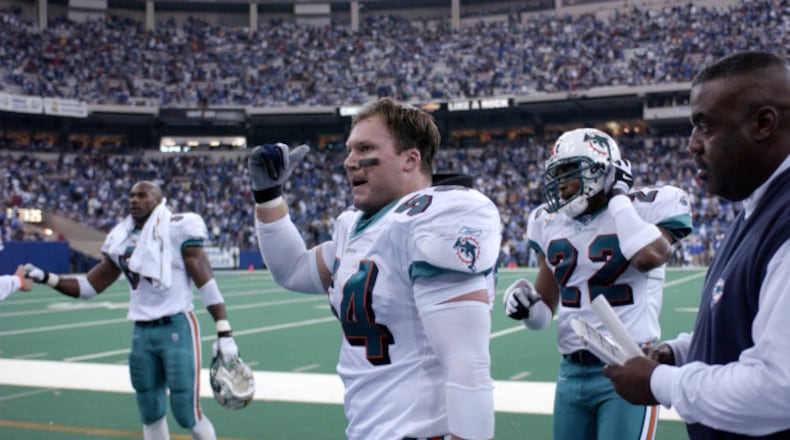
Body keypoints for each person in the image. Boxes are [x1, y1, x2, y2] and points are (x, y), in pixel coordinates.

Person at [248, 97, 501, 440]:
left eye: (364, 148)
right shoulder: (357, 226)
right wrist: (268, 196)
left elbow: (466, 361)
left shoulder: (440, 215)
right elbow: (292, 270)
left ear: (411, 159)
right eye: (349, 149)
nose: (349, 161)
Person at [603, 51, 790, 438]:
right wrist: (681, 352)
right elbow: (749, 330)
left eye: (705, 127)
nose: (692, 146)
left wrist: (659, 382)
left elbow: (779, 389)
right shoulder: (757, 207)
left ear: (763, 124)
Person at [503, 128, 692, 440]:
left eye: (569, 172)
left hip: (628, 364)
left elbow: (649, 256)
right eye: (557, 173)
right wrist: (524, 303)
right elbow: (542, 317)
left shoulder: (647, 206)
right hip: (571, 371)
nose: (560, 183)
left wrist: (618, 198)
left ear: (602, 171)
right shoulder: (547, 222)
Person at [24, 181, 243, 440]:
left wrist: (224, 332)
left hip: (177, 327)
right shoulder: (122, 237)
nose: (134, 200)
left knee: (187, 412)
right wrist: (46, 277)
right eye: (131, 195)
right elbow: (88, 286)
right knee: (149, 410)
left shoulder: (178, 228)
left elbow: (206, 284)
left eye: (142, 195)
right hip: (142, 332)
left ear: (159, 200)